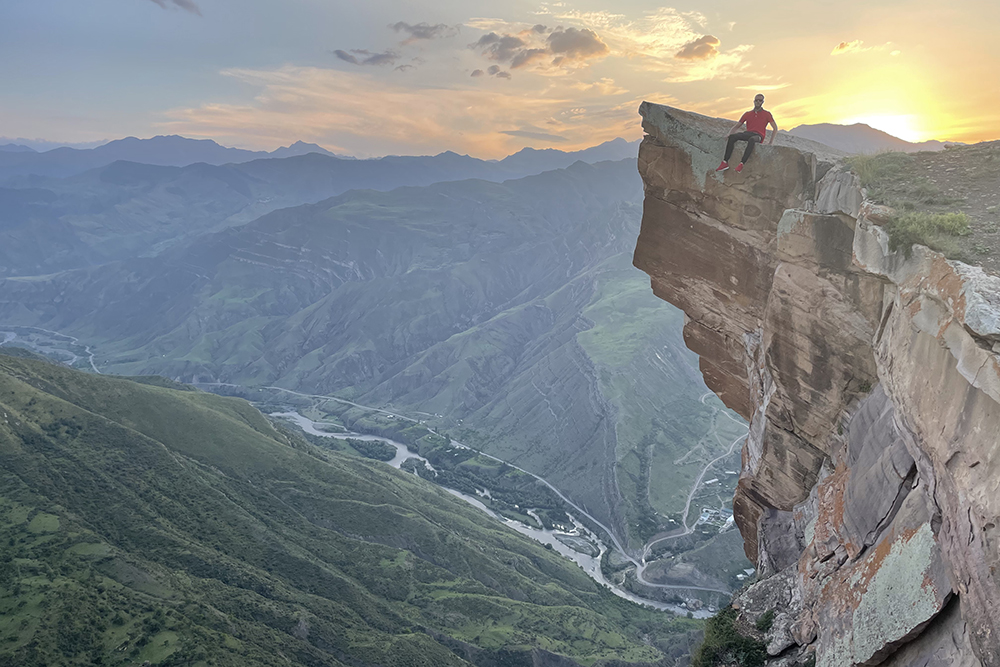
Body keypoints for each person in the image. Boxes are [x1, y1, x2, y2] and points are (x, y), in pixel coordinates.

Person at [716, 94, 777, 173]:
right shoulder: (747, 114)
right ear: (754, 101)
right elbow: (737, 126)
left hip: (758, 136)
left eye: (760, 100)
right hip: (748, 133)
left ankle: (742, 164)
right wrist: (729, 134)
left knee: (752, 140)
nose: (758, 102)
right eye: (756, 100)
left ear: (763, 102)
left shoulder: (767, 114)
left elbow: (775, 128)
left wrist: (771, 142)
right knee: (732, 137)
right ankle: (725, 162)